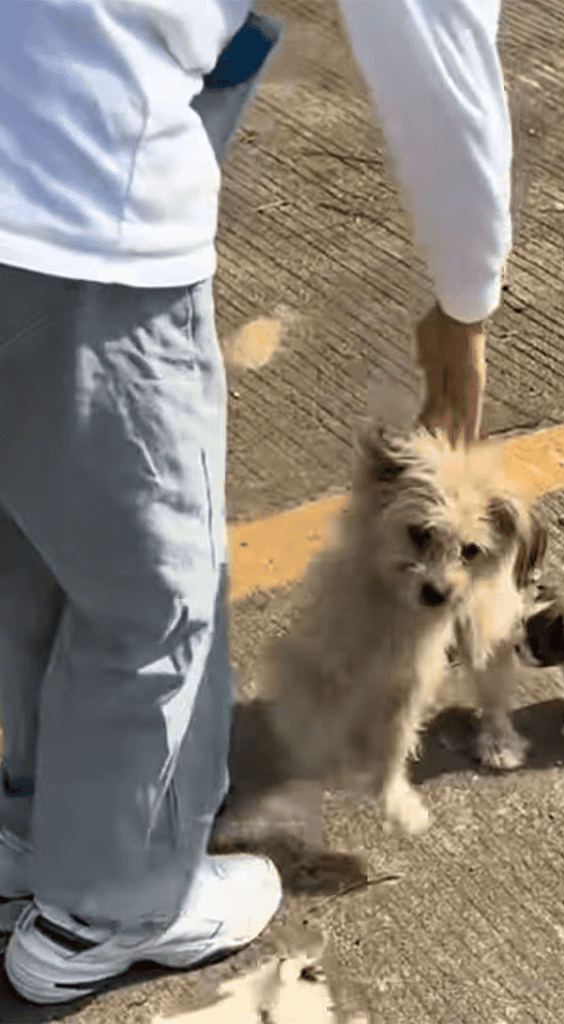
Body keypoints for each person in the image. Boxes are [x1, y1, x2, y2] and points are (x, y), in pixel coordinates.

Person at [0, 0, 512, 1004]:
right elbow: (432, 33)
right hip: (79, 212)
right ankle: (106, 910)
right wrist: (466, 306)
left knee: (31, 545)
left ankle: (31, 830)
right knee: (151, 595)